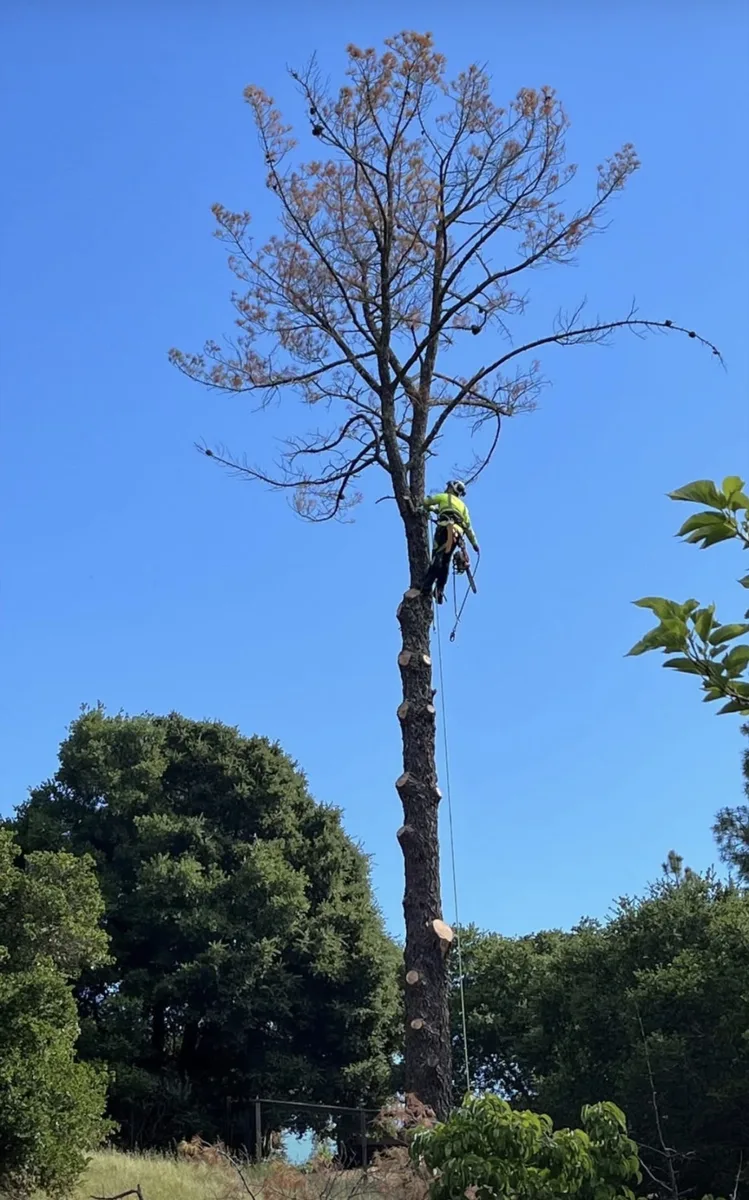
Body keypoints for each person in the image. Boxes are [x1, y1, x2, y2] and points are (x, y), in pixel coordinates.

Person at [420, 480, 480, 603]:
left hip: (444, 529)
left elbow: (425, 502)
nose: (446, 489)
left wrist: (429, 508)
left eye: (448, 487)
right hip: (456, 535)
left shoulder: (443, 497)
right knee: (446, 561)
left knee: (437, 557)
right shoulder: (463, 507)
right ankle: (439, 590)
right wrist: (474, 544)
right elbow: (468, 528)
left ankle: (426, 586)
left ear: (452, 489)